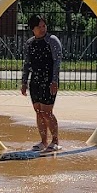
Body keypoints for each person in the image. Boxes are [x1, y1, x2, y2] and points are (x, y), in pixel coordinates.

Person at [20, 14, 62, 151]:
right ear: (33, 28)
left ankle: (55, 141)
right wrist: (24, 82)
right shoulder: (29, 43)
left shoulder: (52, 40)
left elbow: (57, 62)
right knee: (38, 112)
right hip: (35, 81)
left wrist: (54, 80)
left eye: (44, 26)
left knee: (47, 112)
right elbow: (27, 64)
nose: (43, 29)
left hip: (49, 79)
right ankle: (43, 141)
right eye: (39, 26)